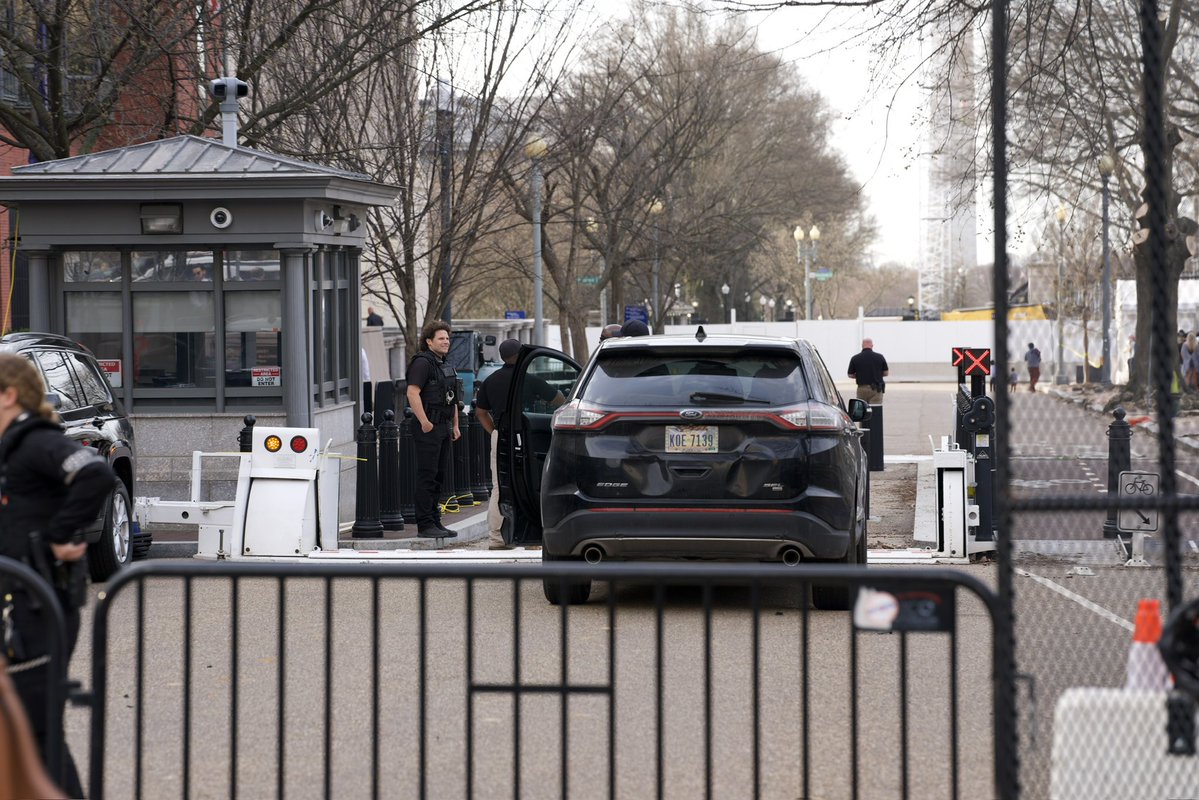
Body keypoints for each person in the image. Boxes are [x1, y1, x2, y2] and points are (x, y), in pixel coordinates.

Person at [0, 354, 115, 797]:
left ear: (9, 395)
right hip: (23, 602)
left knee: (38, 728)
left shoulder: (35, 441)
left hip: (42, 605)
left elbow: (94, 473)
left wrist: (56, 535)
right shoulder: (13, 445)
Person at [475, 339, 565, 550]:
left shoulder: (491, 380)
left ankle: (497, 537)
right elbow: (560, 400)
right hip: (525, 435)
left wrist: (494, 431)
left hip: (501, 435)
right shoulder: (529, 380)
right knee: (529, 482)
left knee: (499, 486)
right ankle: (532, 536)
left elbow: (480, 413)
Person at [405, 321, 461, 538]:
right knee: (427, 475)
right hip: (429, 428)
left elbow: (452, 398)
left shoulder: (443, 364)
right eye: (441, 338)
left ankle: (435, 521)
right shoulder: (422, 363)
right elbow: (412, 393)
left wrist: (455, 425)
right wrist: (425, 422)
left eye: (447, 338)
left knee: (438, 476)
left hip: (443, 427)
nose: (446, 341)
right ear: (429, 341)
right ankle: (425, 524)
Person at [847, 338, 889, 404]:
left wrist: (859, 375)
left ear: (862, 345)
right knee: (875, 410)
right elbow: (886, 373)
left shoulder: (855, 358)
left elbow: (850, 374)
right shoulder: (880, 357)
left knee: (862, 411)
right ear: (872, 345)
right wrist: (877, 374)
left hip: (862, 389)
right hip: (876, 389)